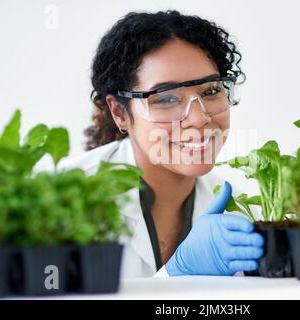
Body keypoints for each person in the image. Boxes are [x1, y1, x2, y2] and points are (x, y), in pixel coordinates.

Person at [54, 10, 264, 278]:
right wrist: (177, 274)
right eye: (166, 98)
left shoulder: (247, 212)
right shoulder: (61, 204)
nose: (199, 119)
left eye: (211, 91)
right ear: (120, 112)